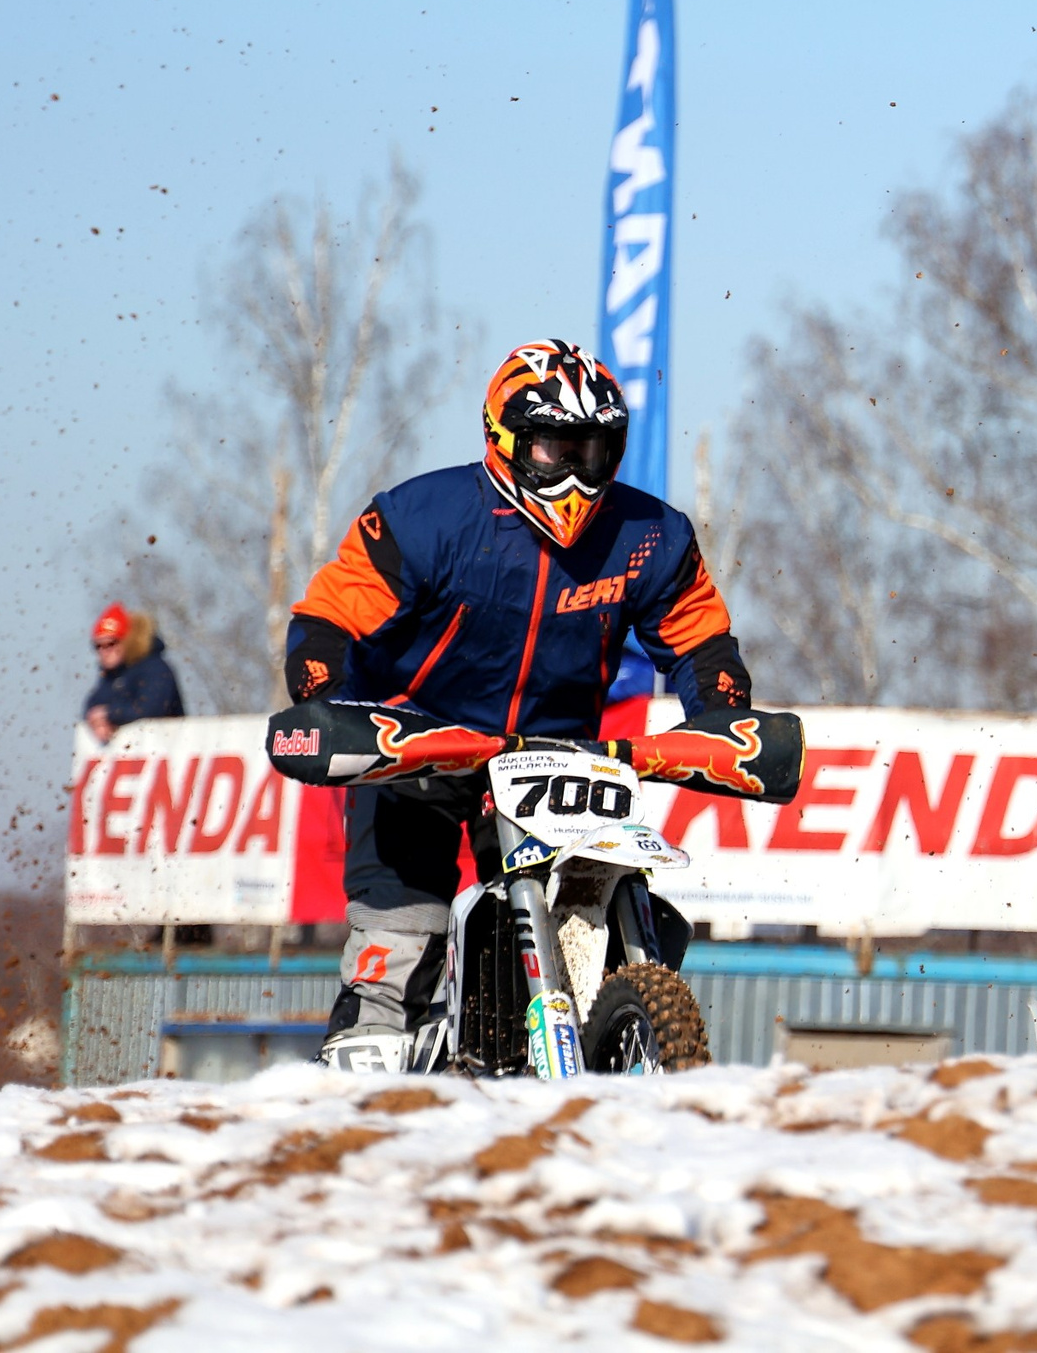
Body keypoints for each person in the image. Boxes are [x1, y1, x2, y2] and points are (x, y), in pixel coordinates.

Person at [286, 338, 757, 1072]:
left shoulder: (649, 537)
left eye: (591, 451)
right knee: (399, 942)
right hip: (414, 744)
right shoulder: (425, 516)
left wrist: (723, 717)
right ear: (504, 440)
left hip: (553, 754)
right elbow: (331, 615)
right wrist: (325, 696)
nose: (574, 473)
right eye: (553, 448)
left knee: (589, 912)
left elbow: (700, 639)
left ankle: (592, 1041)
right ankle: (360, 1081)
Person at [82, 604, 184, 742]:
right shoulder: (111, 677)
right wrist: (98, 721)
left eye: (111, 643)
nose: (104, 651)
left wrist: (110, 714)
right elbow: (93, 705)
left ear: (126, 641)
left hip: (167, 746)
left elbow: (151, 709)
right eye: (98, 646)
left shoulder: (155, 668)